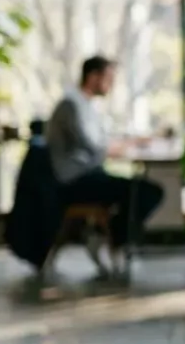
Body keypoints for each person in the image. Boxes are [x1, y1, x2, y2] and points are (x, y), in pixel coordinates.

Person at [45, 55, 162, 276]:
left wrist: (128, 143)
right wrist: (125, 145)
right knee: (145, 192)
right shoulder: (71, 105)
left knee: (143, 190)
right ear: (93, 76)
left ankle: (102, 237)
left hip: (89, 174)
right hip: (75, 181)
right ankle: (112, 240)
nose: (112, 84)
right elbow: (94, 148)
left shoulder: (86, 105)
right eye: (108, 78)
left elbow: (100, 144)